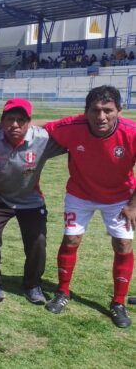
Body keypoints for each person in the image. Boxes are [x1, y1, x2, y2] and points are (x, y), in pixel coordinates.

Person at [43, 85, 136, 328]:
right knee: (71, 240)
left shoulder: (132, 132)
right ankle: (63, 292)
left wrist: (134, 205)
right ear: (85, 112)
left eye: (108, 110)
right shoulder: (73, 127)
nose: (101, 117)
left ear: (119, 110)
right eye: (95, 110)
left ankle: (118, 302)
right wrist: (1, 127)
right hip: (80, 194)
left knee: (124, 244)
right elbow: (36, 129)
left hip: (119, 196)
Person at [0, 99, 65, 304]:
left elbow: (72, 132)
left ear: (29, 122)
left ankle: (32, 285)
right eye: (10, 119)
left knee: (38, 241)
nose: (15, 125)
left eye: (21, 120)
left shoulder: (43, 139)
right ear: (1, 121)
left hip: (30, 200)